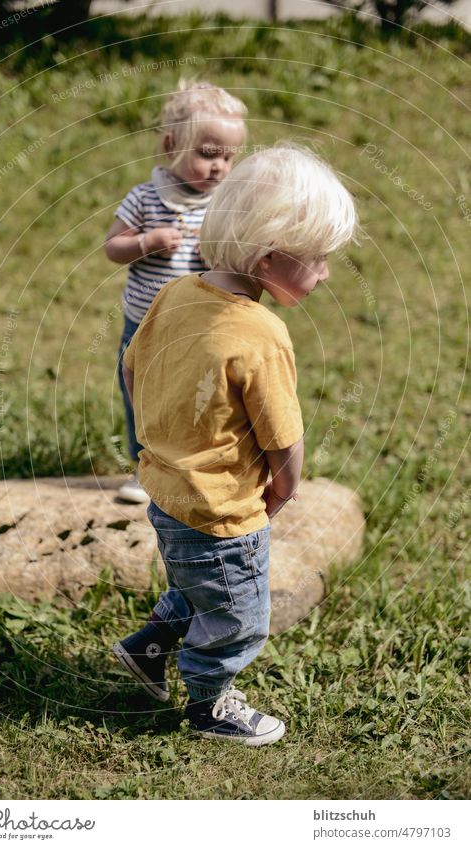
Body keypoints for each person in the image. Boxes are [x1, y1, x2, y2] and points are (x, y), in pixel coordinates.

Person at [112, 144, 357, 745]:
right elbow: (284, 437)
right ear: (270, 256)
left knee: (197, 582)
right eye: (319, 259)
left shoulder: (176, 295)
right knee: (238, 612)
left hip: (168, 492)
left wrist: (161, 433)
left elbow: (129, 366)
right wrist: (284, 489)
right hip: (224, 509)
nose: (325, 272)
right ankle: (209, 706)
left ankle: (147, 648)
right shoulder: (262, 333)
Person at [105, 79, 247, 503]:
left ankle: (196, 467)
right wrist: (145, 242)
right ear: (171, 146)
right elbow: (113, 246)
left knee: (200, 397)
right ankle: (145, 468)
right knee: (142, 396)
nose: (220, 166)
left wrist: (218, 254)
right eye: (208, 154)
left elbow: (238, 259)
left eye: (228, 157)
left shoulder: (224, 203)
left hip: (200, 324)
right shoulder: (146, 198)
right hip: (145, 324)